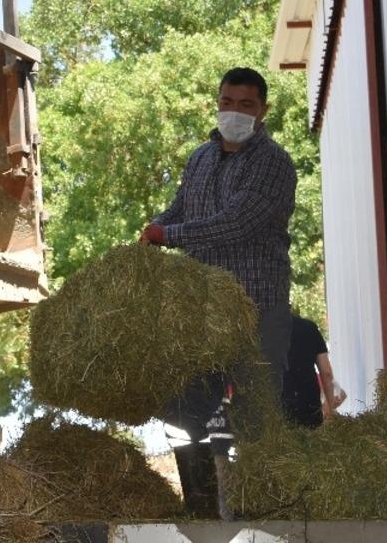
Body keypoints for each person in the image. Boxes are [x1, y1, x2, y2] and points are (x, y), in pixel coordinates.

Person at [141, 66, 297, 517]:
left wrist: (168, 237)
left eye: (246, 105)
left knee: (257, 414)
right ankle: (203, 511)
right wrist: (153, 230)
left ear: (263, 111)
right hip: (203, 311)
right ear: (218, 102)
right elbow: (178, 209)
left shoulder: (274, 163)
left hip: (257, 309)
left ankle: (261, 516)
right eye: (227, 102)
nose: (234, 112)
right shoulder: (200, 159)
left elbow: (237, 223)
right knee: (182, 408)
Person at [282, 312, 346, 428]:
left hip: (279, 409)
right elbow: (326, 373)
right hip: (310, 407)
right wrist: (330, 410)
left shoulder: (265, 332)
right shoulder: (310, 328)